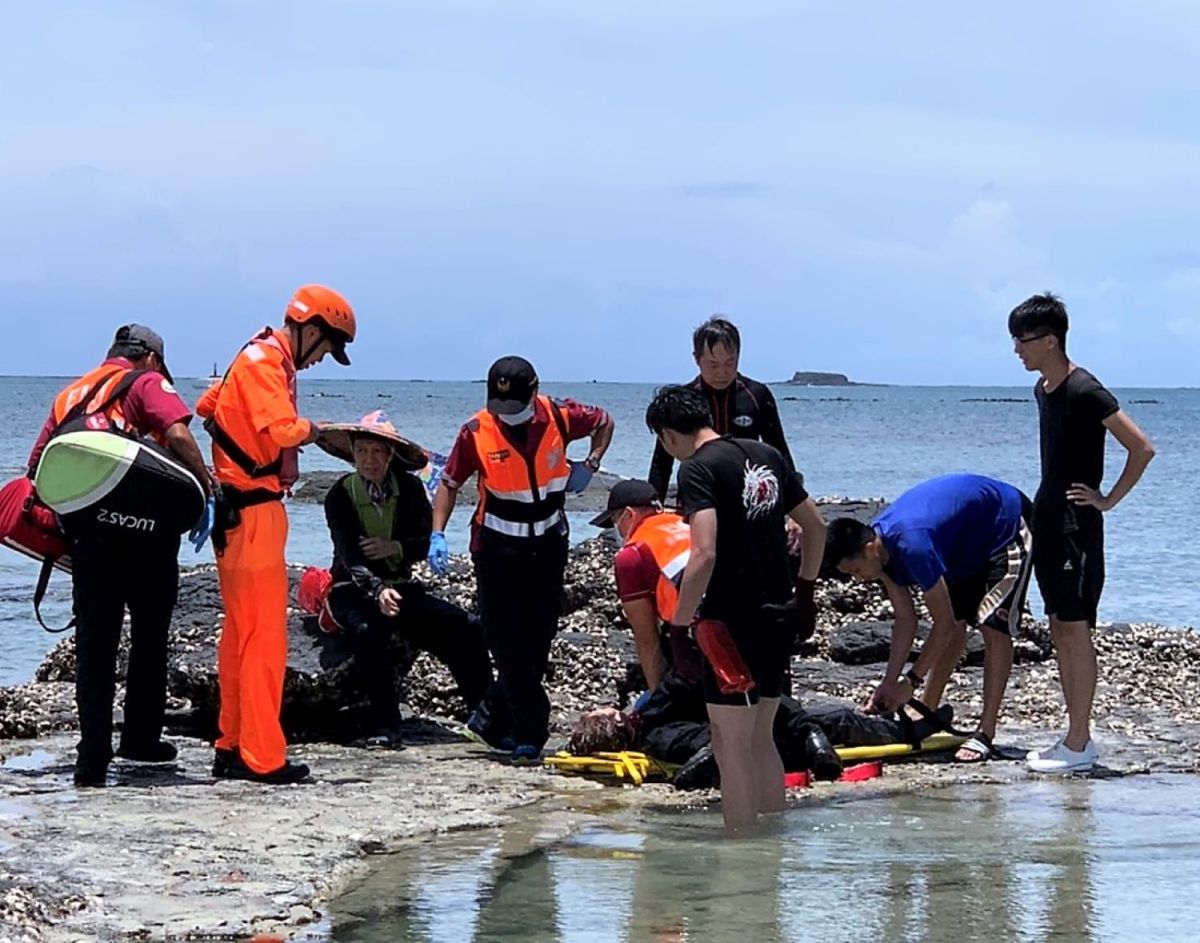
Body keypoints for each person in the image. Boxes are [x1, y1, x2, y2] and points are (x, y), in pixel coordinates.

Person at [27, 325, 212, 787]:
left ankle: (91, 759)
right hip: (145, 540)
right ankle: (140, 740)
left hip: (90, 541)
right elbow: (177, 433)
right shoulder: (146, 382)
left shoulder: (70, 394)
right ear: (149, 357)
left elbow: (37, 468)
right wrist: (206, 487)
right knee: (149, 638)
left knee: (95, 645)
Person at [645, 384, 826, 832]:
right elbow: (816, 526)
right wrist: (805, 590)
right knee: (763, 736)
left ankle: (742, 855)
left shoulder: (697, 470)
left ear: (668, 436)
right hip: (780, 610)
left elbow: (703, 554)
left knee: (729, 744)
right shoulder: (764, 454)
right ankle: (772, 846)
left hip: (731, 620)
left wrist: (679, 623)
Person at [196, 284, 356, 784]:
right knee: (264, 638)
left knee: (240, 635)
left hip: (232, 511)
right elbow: (283, 430)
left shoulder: (254, 352)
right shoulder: (267, 362)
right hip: (256, 511)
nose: (323, 359)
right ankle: (262, 756)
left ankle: (231, 742)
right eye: (328, 347)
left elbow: (207, 407)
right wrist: (324, 429)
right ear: (311, 330)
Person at [429, 355, 614, 765]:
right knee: (503, 638)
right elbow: (449, 483)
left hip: (547, 542)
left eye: (514, 407)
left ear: (534, 391)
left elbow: (605, 422)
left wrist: (591, 463)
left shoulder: (561, 415)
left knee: (539, 637)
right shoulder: (475, 431)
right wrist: (437, 532)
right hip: (496, 547)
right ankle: (530, 732)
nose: (506, 415)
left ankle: (491, 717)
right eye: (500, 406)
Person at [1009, 293, 1155, 774]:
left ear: (1050, 340)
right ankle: (1073, 738)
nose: (1017, 350)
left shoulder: (1085, 389)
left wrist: (1108, 499)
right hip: (1049, 520)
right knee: (1058, 627)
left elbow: (1141, 447)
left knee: (1076, 629)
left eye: (1023, 340)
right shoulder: (1043, 390)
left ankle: (1080, 741)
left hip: (1077, 527)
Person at [825, 474, 1035, 763]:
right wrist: (889, 683)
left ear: (870, 548)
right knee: (959, 619)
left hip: (1005, 523)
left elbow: (942, 626)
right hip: (962, 545)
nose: (859, 579)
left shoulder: (913, 545)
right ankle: (929, 707)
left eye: (856, 570)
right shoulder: (880, 554)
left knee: (992, 625)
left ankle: (985, 731)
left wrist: (910, 681)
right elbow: (905, 620)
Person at [318, 411, 494, 747]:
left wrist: (392, 548)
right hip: (352, 590)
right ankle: (385, 725)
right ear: (352, 454)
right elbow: (349, 556)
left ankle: (485, 716)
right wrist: (377, 589)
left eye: (377, 452)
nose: (369, 460)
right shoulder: (340, 495)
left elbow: (423, 542)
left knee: (467, 627)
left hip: (401, 586)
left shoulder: (411, 489)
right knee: (371, 632)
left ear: (390, 455)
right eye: (362, 452)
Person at [647, 316, 795, 502]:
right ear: (697, 359)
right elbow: (662, 462)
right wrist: (652, 505)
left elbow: (780, 453)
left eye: (730, 363)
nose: (722, 373)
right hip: (697, 495)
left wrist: (793, 511)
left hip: (747, 499)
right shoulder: (682, 401)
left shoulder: (757, 395)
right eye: (713, 364)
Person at [589, 478, 692, 691]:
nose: (617, 531)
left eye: (616, 521)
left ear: (629, 514)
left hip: (700, 636)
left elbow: (647, 640)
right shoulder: (689, 523)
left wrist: (658, 697)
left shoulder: (632, 555)